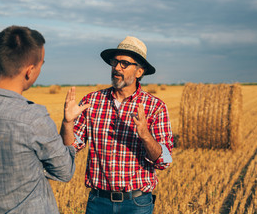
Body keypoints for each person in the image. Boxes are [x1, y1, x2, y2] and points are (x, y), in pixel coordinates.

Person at [0, 25, 88, 213]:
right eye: (41, 65)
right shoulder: (33, 118)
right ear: (30, 71)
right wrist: (68, 127)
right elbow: (64, 172)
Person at [61, 36, 174, 213]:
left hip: (137, 204)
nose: (116, 67)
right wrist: (67, 123)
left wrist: (145, 135)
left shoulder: (155, 107)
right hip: (98, 202)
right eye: (115, 62)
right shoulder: (92, 101)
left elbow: (163, 162)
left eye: (124, 63)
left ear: (139, 72)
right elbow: (69, 148)